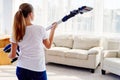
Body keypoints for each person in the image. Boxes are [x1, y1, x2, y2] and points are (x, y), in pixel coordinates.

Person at [8, 3, 57, 80]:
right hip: (37, 69)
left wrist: (8, 55)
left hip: (22, 68)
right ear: (31, 14)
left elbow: (13, 55)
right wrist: (53, 30)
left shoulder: (15, 32)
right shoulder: (40, 29)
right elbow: (48, 46)